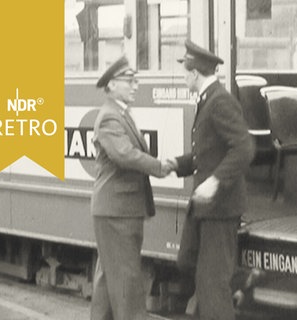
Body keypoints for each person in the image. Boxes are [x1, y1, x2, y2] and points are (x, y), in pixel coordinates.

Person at [167, 40, 255, 320]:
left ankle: (233, 290)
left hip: (220, 208)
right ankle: (240, 283)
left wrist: (216, 181)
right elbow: (209, 152)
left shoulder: (219, 101)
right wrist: (176, 164)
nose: (183, 77)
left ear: (194, 74)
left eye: (185, 72)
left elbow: (244, 147)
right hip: (205, 207)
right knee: (188, 261)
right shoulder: (209, 99)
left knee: (212, 281)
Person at [90, 55, 171, 320]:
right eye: (129, 81)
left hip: (117, 209)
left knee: (108, 280)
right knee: (127, 281)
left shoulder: (120, 113)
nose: (135, 85)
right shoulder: (110, 118)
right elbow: (125, 155)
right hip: (117, 212)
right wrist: (160, 166)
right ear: (112, 85)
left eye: (135, 80)